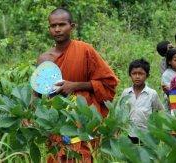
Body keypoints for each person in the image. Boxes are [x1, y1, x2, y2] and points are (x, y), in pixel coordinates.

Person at [37, 8, 119, 163]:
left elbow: (108, 82)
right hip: (56, 119)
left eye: (62, 24)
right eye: (53, 26)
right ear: (49, 28)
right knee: (58, 156)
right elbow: (37, 94)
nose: (57, 29)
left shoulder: (85, 50)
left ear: (72, 26)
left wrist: (74, 86)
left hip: (83, 116)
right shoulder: (44, 59)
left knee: (83, 156)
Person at [121, 59, 163, 144]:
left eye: (141, 74)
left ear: (147, 75)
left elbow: (157, 111)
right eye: (134, 73)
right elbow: (120, 110)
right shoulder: (126, 92)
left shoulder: (152, 93)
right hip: (131, 133)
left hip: (147, 134)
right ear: (130, 75)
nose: (137, 76)